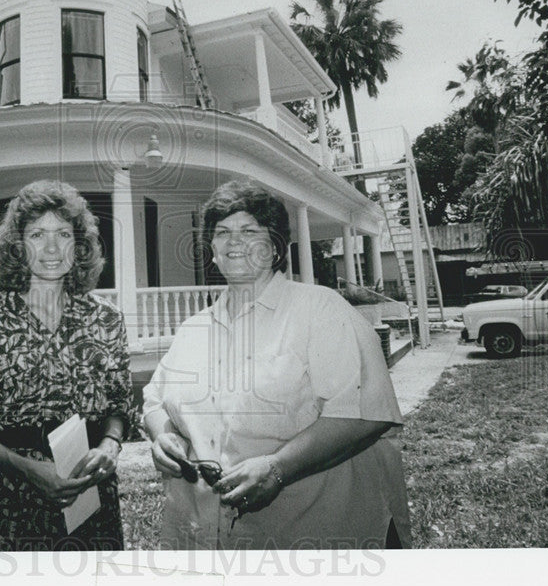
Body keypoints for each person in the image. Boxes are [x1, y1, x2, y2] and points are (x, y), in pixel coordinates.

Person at [143, 178, 411, 549]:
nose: (234, 241)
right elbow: (154, 401)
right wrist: (163, 436)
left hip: (309, 532)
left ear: (274, 247)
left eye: (249, 230)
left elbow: (365, 413)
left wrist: (278, 467)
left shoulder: (321, 310)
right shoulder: (194, 328)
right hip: (208, 533)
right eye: (222, 232)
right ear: (212, 250)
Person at [0, 180, 134, 551]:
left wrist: (110, 445)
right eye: (36, 234)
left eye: (62, 233)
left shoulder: (107, 320)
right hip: (10, 507)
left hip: (92, 501)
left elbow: (119, 407)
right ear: (17, 245)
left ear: (79, 245)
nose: (50, 248)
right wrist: (28, 469)